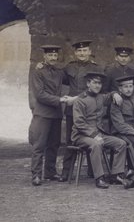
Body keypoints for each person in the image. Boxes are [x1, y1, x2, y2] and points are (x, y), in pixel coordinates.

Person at [71, 72, 127, 189]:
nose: (97, 86)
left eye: (100, 83)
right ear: (88, 84)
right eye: (94, 83)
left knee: (121, 143)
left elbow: (110, 95)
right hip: (81, 136)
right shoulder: (80, 100)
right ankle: (99, 178)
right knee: (96, 145)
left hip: (99, 134)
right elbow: (79, 123)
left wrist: (115, 93)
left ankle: (116, 174)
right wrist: (94, 135)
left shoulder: (101, 97)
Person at [59, 40, 104, 181]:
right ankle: (66, 172)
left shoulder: (96, 68)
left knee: (92, 136)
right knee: (70, 141)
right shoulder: (69, 67)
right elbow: (59, 78)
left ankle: (93, 171)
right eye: (79, 51)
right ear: (75, 53)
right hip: (72, 109)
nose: (82, 53)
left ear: (90, 52)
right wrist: (41, 64)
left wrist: (76, 98)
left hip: (90, 108)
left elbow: (96, 89)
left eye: (85, 50)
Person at [29, 45, 73, 186]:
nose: (53, 58)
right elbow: (40, 94)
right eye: (50, 55)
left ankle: (50, 172)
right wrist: (59, 99)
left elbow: (71, 77)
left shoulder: (59, 72)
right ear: (44, 56)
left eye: (55, 56)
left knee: (54, 144)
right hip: (43, 113)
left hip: (56, 114)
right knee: (39, 145)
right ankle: (36, 175)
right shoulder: (38, 72)